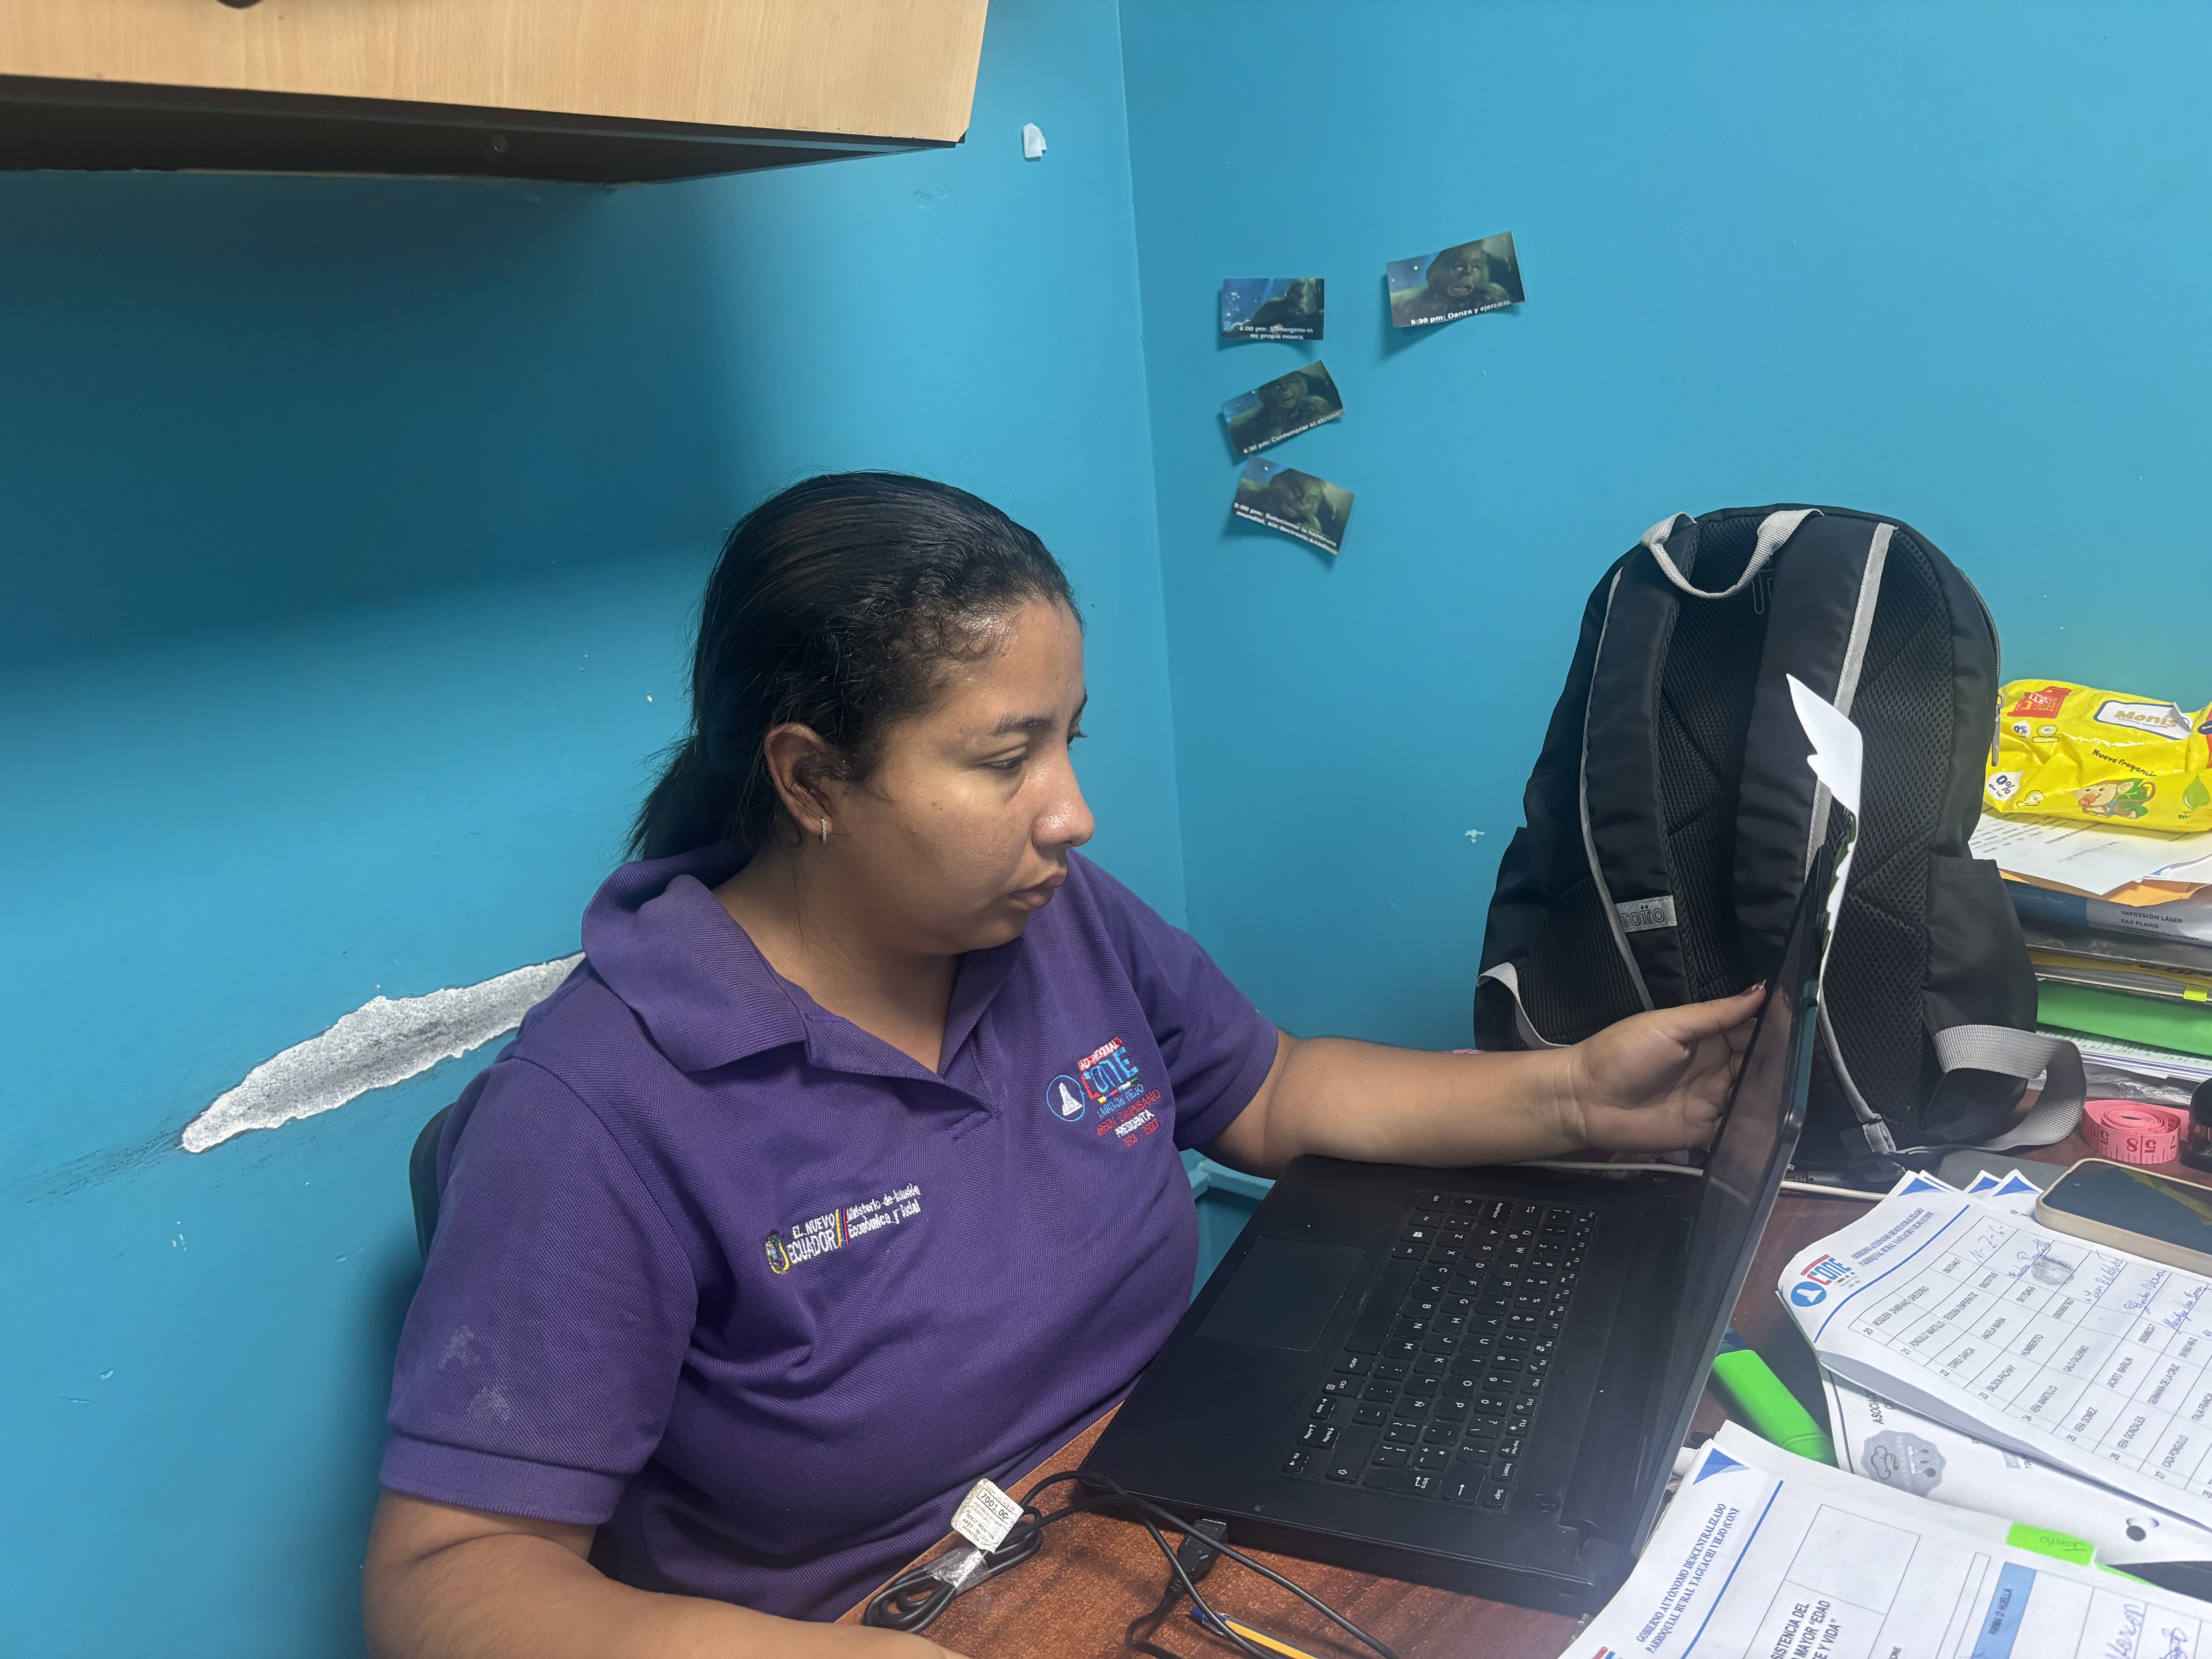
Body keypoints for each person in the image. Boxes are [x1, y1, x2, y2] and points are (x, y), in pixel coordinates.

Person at [362, 473, 1762, 1659]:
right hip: (899, 1617)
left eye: (1067, 739)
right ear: (808, 780)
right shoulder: (594, 1110)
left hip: (1167, 1502)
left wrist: (1574, 1095)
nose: (1073, 814)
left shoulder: (1049, 918)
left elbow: (1269, 1090)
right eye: (1004, 759)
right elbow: (446, 1576)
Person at [1391, 239, 1515, 326]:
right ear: (1439, 271)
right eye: (1459, 266)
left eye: (1476, 267)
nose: (1469, 272)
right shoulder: (1408, 307)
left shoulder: (1496, 297)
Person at [1227, 368, 1337, 453]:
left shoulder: (1317, 405)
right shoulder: (1247, 424)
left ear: (1300, 385)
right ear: (1266, 392)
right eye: (1277, 387)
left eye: (1291, 383)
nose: (1285, 389)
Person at [1243, 277, 1322, 337]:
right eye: (1296, 294)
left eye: (1303, 296)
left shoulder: (1303, 313)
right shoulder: (1275, 305)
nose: (1300, 298)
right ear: (1289, 293)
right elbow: (1256, 324)